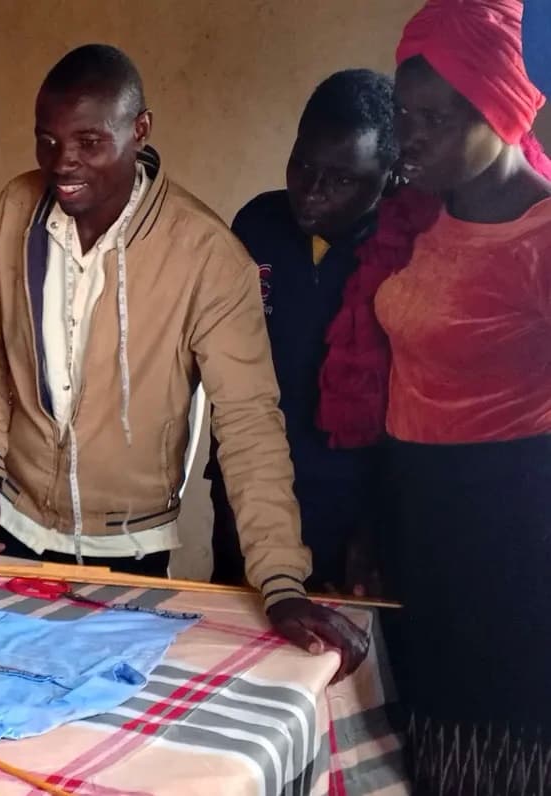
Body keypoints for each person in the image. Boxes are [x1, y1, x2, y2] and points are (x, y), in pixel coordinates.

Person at [0, 44, 367, 678]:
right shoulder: (16, 209)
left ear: (139, 130)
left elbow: (249, 421)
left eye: (89, 141)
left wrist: (281, 579)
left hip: (130, 549)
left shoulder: (208, 257)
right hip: (11, 527)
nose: (62, 162)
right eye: (47, 140)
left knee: (103, 729)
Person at [318, 1, 551, 789]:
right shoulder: (415, 221)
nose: (410, 137)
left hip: (511, 534)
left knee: (502, 743)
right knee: (424, 736)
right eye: (406, 113)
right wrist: (374, 523)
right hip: (417, 513)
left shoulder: (542, 239)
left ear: (503, 109)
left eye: (438, 119)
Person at [206, 70, 399, 592]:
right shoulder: (257, 226)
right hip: (246, 489)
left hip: (352, 505)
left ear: (388, 176)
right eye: (303, 164)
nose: (312, 191)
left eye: (341, 180)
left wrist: (377, 529)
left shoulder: (403, 254)